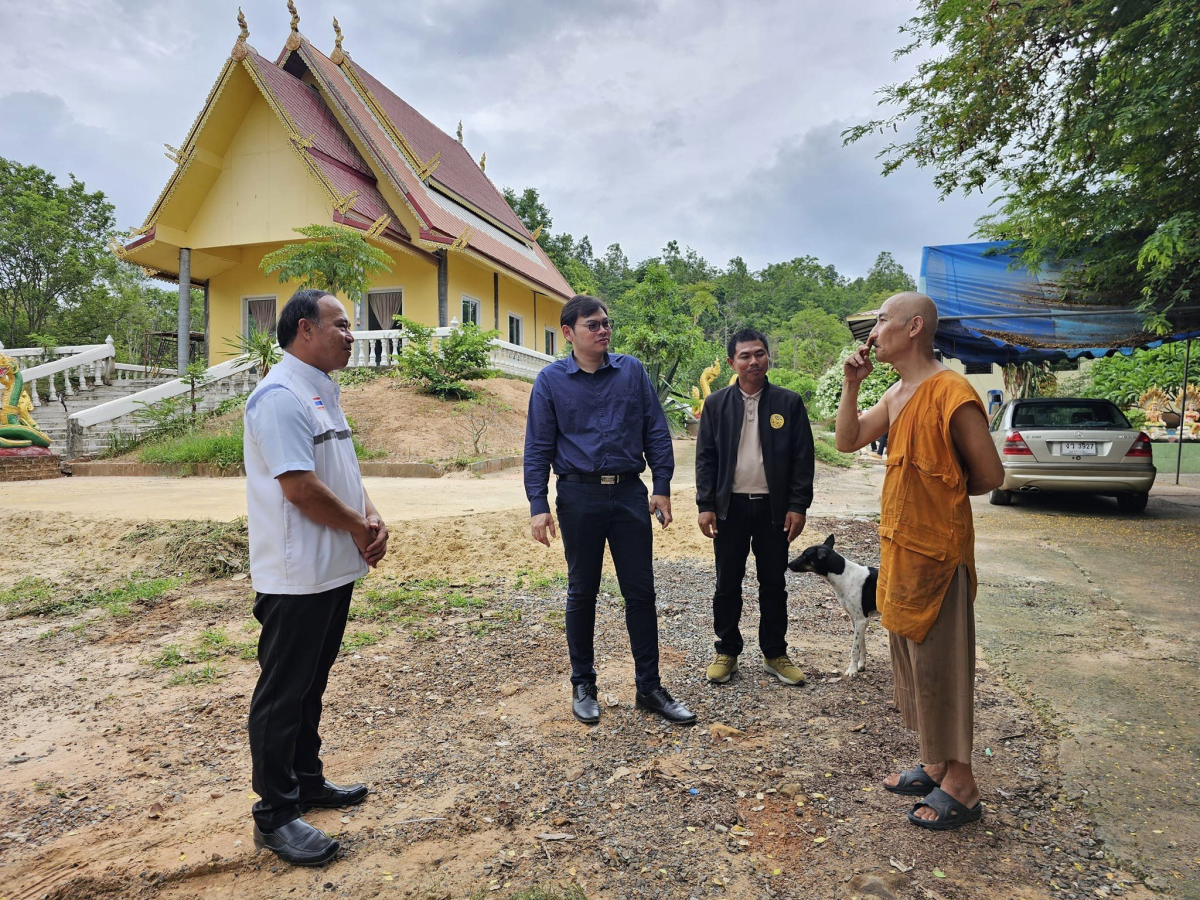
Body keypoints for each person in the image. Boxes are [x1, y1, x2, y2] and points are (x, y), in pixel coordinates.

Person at [834, 292, 1003, 830]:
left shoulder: (950, 390)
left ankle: (964, 784)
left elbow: (989, 476)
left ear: (913, 327)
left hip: (939, 555)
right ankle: (936, 762)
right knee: (914, 663)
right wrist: (852, 386)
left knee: (943, 668)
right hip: (901, 551)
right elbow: (847, 440)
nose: (873, 330)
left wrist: (940, 499)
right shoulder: (898, 392)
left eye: (881, 320)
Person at [243, 289, 389, 865]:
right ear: (305, 330)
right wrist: (358, 526)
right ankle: (275, 814)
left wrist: (370, 518)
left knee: (310, 685)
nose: (351, 335)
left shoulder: (321, 391)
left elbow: (341, 471)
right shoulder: (279, 396)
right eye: (341, 325)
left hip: (331, 570)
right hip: (296, 574)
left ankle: (306, 780)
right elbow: (299, 486)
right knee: (283, 694)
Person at [524, 294, 696, 726]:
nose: (604, 331)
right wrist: (538, 504)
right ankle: (583, 683)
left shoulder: (632, 372)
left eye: (606, 323)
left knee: (640, 591)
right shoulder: (550, 382)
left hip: (627, 495)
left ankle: (650, 688)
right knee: (582, 591)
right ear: (569, 333)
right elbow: (538, 447)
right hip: (578, 497)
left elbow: (655, 429)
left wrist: (661, 486)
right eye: (592, 325)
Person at [695, 328, 814, 686]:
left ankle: (775, 653)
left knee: (773, 583)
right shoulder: (716, 405)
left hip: (773, 511)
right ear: (732, 362)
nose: (753, 361)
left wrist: (798, 505)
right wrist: (706, 504)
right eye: (744, 356)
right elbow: (706, 459)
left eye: (759, 354)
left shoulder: (788, 403)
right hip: (729, 509)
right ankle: (727, 651)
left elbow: (801, 459)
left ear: (767, 358)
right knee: (727, 583)